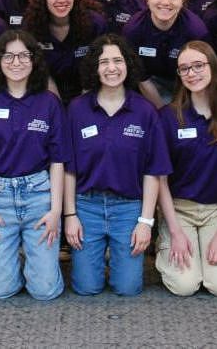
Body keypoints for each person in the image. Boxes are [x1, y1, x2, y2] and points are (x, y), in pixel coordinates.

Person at [0, 31, 69, 301]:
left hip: (39, 195)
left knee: (45, 291)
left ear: (34, 61)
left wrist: (56, 209)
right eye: (9, 55)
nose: (16, 62)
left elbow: (58, 161)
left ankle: (35, 265)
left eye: (24, 55)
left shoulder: (49, 103)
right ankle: (12, 265)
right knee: (1, 290)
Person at [64, 34, 170, 296]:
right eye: (104, 62)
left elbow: (153, 171)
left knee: (128, 287)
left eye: (118, 61)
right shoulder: (77, 109)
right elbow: (68, 168)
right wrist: (70, 215)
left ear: (128, 64)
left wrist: (146, 221)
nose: (112, 68)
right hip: (86, 206)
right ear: (94, 68)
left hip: (128, 209)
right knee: (87, 287)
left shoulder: (145, 111)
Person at [156, 41, 217, 297]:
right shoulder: (168, 117)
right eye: (184, 69)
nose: (191, 73)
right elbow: (160, 180)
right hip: (178, 209)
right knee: (184, 286)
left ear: (213, 67)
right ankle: (164, 241)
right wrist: (174, 232)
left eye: (198, 66)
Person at [121, 0, 210, 108]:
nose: (165, 2)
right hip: (146, 86)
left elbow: (200, 77)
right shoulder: (133, 30)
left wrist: (177, 111)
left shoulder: (196, 31)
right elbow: (141, 78)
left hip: (185, 84)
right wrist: (163, 112)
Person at [24, 0, 107, 104]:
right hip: (46, 92)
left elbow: (97, 68)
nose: (62, 0)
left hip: (89, 91)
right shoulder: (32, 26)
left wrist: (81, 106)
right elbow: (41, 71)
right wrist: (57, 106)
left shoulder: (95, 24)